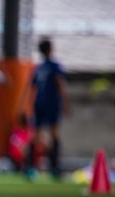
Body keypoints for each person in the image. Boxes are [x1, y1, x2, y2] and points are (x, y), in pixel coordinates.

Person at [23, 37, 71, 180]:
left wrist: (25, 107)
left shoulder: (38, 68)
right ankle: (54, 168)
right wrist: (65, 103)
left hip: (39, 104)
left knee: (35, 135)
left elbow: (31, 89)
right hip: (51, 104)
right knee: (54, 134)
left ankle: (30, 167)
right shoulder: (55, 66)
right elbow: (59, 84)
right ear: (50, 49)